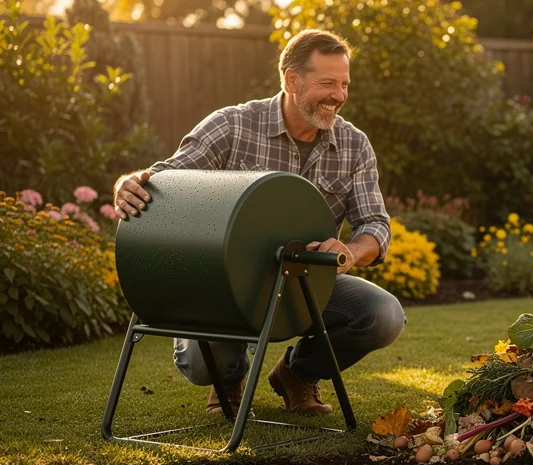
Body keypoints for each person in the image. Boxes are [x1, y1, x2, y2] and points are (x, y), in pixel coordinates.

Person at [112, 29, 406, 417]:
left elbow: (375, 225)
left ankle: (297, 373)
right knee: (201, 365)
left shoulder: (354, 144)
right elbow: (169, 181)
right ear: (292, 80)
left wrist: (350, 252)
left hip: (306, 281)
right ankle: (227, 380)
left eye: (344, 84)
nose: (339, 95)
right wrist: (127, 182)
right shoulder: (232, 125)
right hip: (224, 283)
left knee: (384, 316)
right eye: (327, 83)